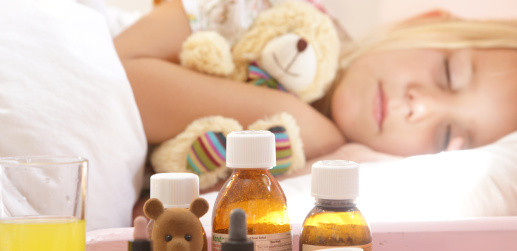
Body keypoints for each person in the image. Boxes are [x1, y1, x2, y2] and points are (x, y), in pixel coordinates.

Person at [114, 0, 517, 166]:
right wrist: (292, 120)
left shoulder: (340, 185)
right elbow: (116, 79)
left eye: (447, 137)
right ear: (422, 23)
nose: (421, 107)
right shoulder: (280, 18)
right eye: (448, 74)